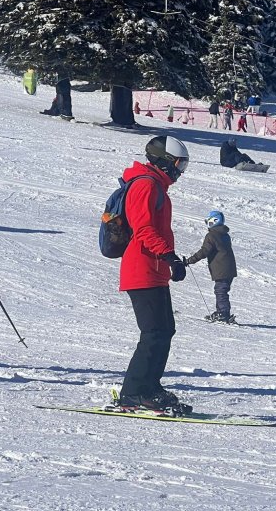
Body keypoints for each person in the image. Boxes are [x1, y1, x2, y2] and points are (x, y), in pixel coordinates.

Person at [116, 135, 191, 412]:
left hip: (154, 270)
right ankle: (134, 392)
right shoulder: (145, 185)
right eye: (179, 165)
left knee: (164, 330)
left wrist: (169, 261)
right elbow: (144, 229)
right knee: (153, 332)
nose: (180, 172)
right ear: (165, 161)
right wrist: (170, 256)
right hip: (142, 268)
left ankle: (149, 386)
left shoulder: (156, 185)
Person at [186, 210, 237, 324]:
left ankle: (223, 313)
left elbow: (205, 251)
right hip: (229, 268)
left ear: (214, 221)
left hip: (221, 269)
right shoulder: (225, 235)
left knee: (220, 291)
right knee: (221, 290)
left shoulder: (211, 235)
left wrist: (190, 260)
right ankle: (222, 312)